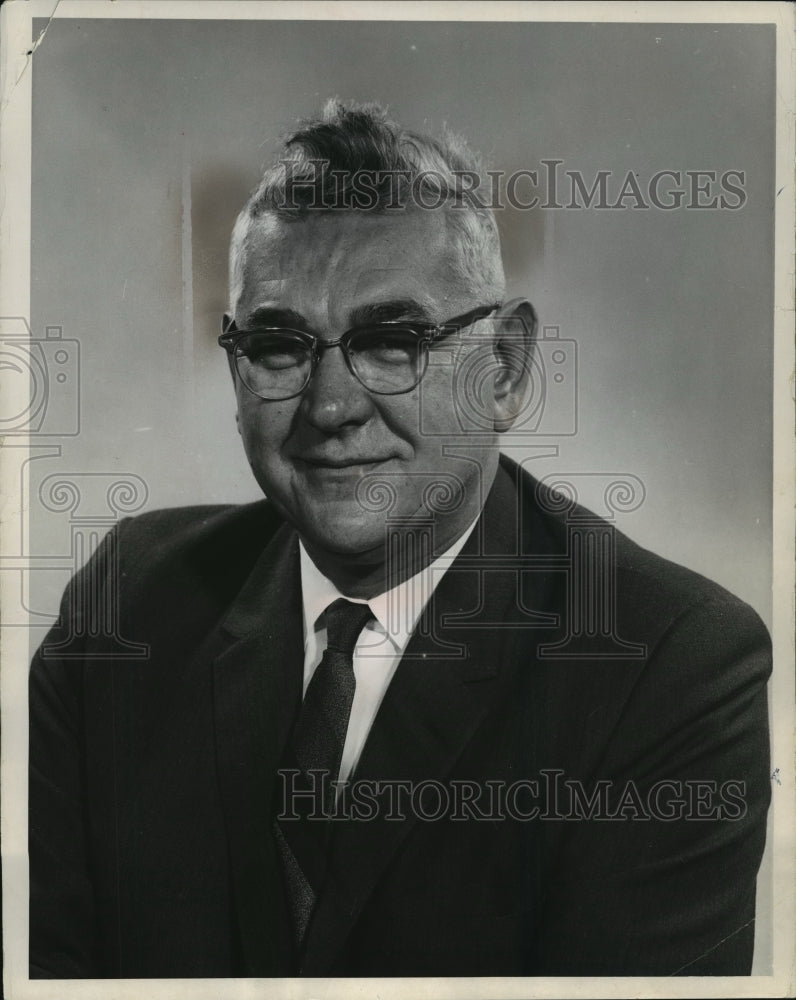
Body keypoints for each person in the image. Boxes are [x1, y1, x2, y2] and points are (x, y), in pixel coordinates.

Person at [29, 100, 771, 979]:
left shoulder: (671, 667)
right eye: (278, 345)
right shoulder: (131, 605)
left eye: (392, 342)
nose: (330, 407)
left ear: (504, 371)